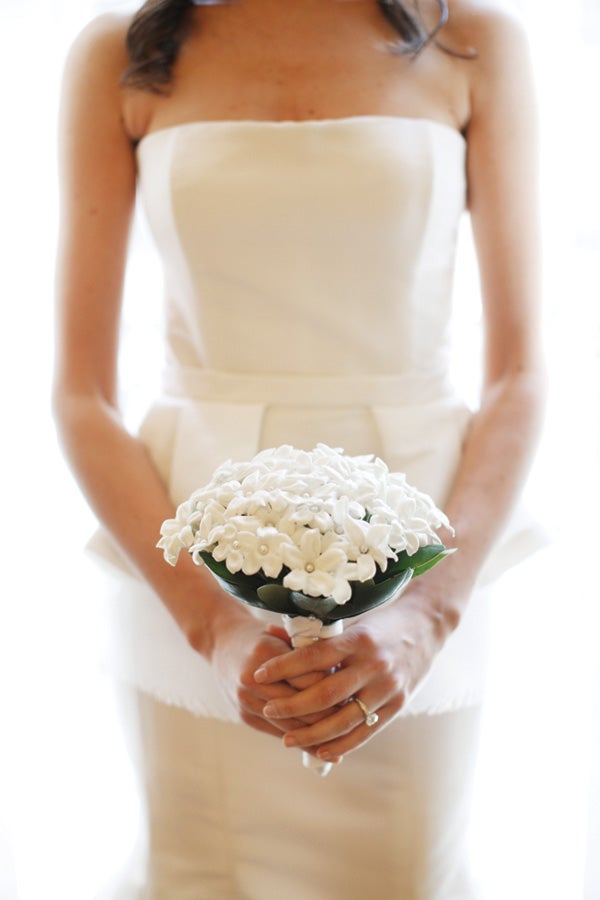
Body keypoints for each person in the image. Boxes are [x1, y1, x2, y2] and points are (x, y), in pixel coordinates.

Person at [53, 0, 546, 896]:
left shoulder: (476, 38)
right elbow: (80, 393)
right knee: (203, 871)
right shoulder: (119, 53)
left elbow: (520, 373)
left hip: (421, 540)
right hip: (188, 549)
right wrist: (213, 625)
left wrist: (428, 614)